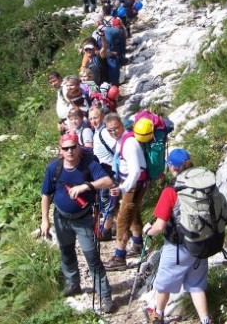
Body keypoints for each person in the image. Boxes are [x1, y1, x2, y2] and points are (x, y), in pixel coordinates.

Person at [40, 133, 117, 313]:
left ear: (79, 148)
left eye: (73, 147)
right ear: (61, 151)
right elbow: (46, 195)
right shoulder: (54, 168)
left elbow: (108, 181)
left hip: (83, 218)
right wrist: (45, 220)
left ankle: (105, 295)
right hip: (61, 217)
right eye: (65, 148)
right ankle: (73, 283)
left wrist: (85, 186)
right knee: (66, 252)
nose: (70, 151)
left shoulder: (88, 165)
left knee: (91, 257)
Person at [141, 149, 212, 324]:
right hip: (201, 244)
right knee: (196, 286)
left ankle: (157, 316)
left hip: (178, 247)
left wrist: (148, 231)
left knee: (164, 284)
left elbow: (159, 226)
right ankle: (205, 320)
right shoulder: (205, 186)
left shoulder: (171, 192)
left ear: (172, 168)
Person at [103, 113, 148, 270]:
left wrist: (122, 187)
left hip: (133, 184)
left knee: (123, 218)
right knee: (132, 213)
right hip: (129, 182)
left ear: (122, 124)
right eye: (110, 130)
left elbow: (135, 171)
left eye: (116, 128)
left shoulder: (129, 143)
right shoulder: (122, 140)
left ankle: (119, 257)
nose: (114, 132)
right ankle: (137, 244)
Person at [88, 106, 118, 241]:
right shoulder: (97, 132)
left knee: (107, 202)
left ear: (102, 116)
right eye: (91, 118)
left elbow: (118, 149)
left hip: (109, 172)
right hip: (105, 172)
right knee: (108, 201)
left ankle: (105, 231)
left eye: (96, 117)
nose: (93, 121)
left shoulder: (104, 132)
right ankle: (112, 226)